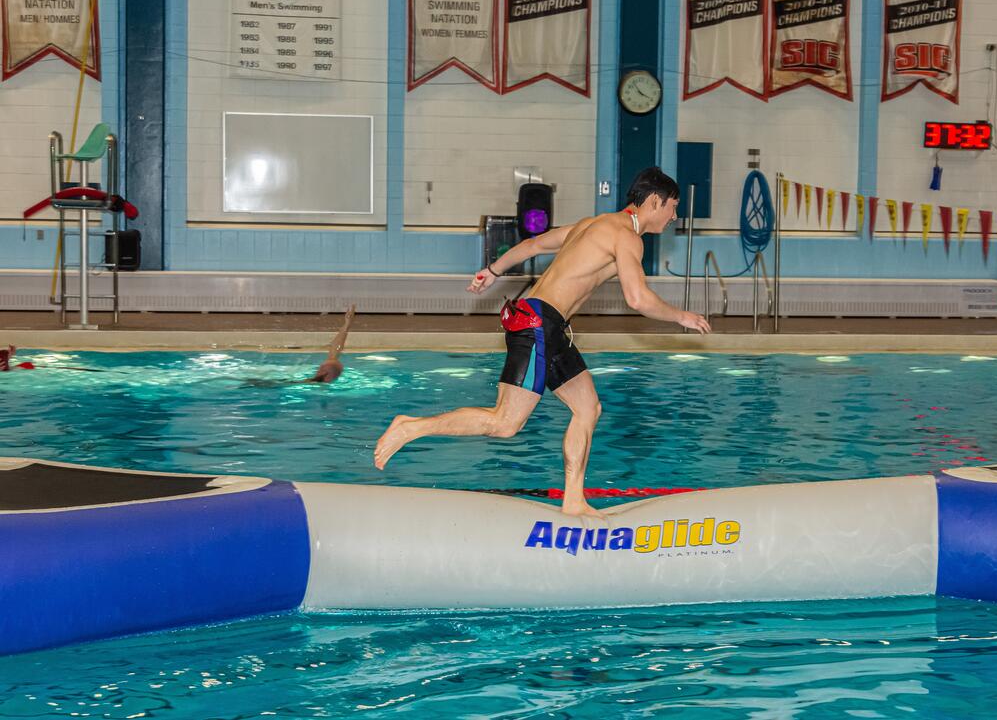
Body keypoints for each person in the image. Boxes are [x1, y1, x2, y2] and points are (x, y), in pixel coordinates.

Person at [373, 167, 712, 516]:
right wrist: (681, 316)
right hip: (537, 323)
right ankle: (411, 427)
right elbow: (637, 298)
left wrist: (492, 271)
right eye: (673, 206)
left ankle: (574, 500)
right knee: (505, 423)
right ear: (654, 202)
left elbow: (533, 245)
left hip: (548, 327)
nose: (674, 216)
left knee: (588, 408)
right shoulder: (627, 236)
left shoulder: (590, 225)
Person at [242, 305, 355, 386]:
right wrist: (346, 325)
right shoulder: (325, 380)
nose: (318, 370)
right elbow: (334, 351)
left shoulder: (315, 385)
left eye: (321, 369)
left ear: (328, 375)